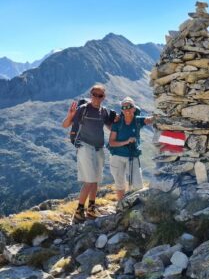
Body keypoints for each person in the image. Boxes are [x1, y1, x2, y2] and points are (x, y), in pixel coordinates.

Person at [62, 83, 115, 223]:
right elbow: (65, 125)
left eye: (100, 95)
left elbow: (110, 128)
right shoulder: (83, 109)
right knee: (89, 181)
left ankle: (91, 208)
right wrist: (70, 116)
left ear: (104, 97)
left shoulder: (103, 111)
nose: (97, 97)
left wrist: (117, 122)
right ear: (91, 95)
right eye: (95, 94)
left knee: (96, 180)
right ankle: (79, 211)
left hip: (99, 148)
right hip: (85, 146)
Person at [108, 97, 153, 200]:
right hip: (116, 156)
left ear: (134, 108)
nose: (127, 109)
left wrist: (161, 114)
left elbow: (149, 120)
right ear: (122, 110)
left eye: (129, 107)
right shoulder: (117, 122)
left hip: (132, 155)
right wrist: (126, 142)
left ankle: (136, 206)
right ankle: (121, 205)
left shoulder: (138, 120)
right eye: (124, 107)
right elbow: (111, 142)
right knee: (120, 184)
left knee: (137, 184)